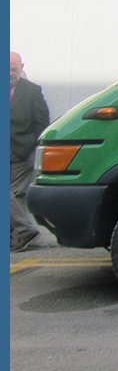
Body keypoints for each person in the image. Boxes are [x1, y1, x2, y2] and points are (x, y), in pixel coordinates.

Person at [10, 51, 50, 251]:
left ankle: (24, 230)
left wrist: (30, 145)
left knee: (14, 194)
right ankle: (19, 234)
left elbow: (42, 122)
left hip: (21, 151)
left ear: (21, 68)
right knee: (14, 196)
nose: (10, 73)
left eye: (13, 69)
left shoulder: (32, 91)